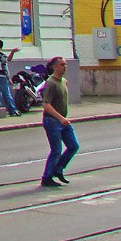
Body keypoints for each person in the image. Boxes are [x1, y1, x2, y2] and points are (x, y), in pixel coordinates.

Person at [40, 56, 79, 187]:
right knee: (56, 149)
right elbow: (46, 104)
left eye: (65, 64)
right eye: (62, 65)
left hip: (62, 121)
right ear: (54, 67)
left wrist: (63, 118)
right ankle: (47, 178)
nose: (65, 67)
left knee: (73, 146)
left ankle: (58, 169)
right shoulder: (50, 83)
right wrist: (60, 118)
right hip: (52, 121)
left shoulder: (64, 81)